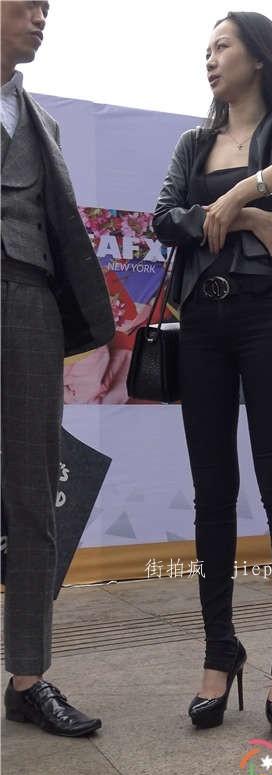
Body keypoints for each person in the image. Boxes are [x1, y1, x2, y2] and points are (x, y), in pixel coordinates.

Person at [153, 10, 272, 736]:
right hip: (202, 323)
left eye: (222, 46)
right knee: (213, 494)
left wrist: (240, 195)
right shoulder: (193, 142)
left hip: (268, 317)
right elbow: (165, 219)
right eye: (205, 49)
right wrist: (249, 219)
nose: (210, 59)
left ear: (258, 57)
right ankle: (219, 651)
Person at [1, 1, 115, 736]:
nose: (42, 17)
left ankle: (28, 678)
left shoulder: (46, 126)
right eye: (29, 2)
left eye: (49, 7)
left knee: (34, 493)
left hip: (28, 304)